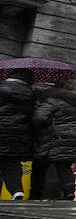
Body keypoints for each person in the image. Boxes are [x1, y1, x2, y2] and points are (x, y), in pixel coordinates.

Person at [29, 78, 76, 199]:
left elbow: (39, 117)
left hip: (53, 136)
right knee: (63, 165)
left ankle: (36, 193)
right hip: (73, 137)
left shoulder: (53, 100)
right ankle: (70, 190)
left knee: (40, 165)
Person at [0, 69, 35, 199]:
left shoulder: (1, 88)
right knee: (12, 163)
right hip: (19, 134)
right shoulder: (31, 94)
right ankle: (17, 190)